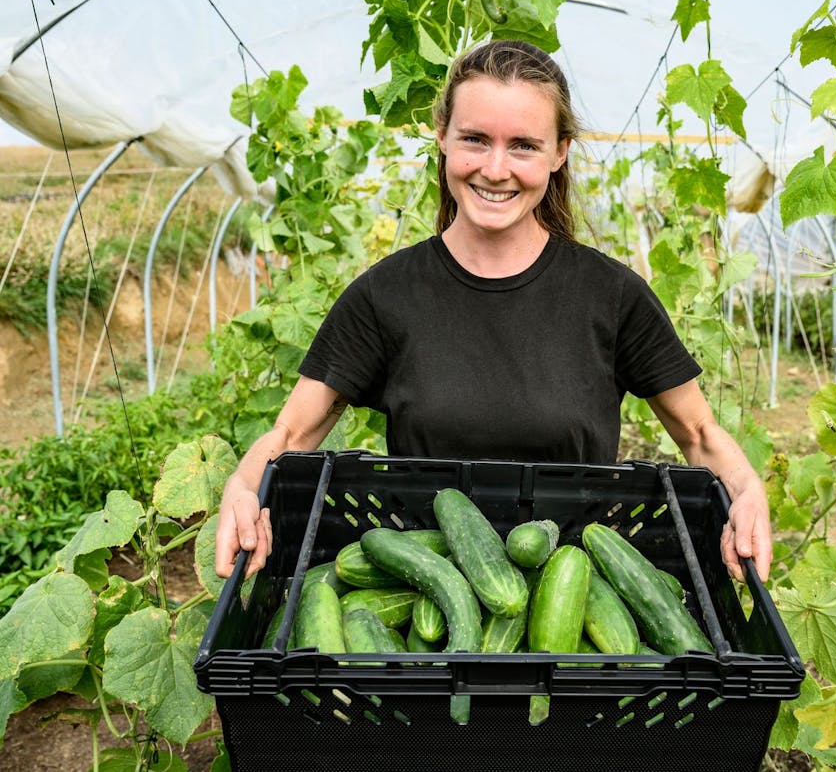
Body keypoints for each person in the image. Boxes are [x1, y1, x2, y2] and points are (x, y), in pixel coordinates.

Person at [214, 39, 772, 585]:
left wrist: (748, 491)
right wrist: (243, 486)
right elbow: (291, 433)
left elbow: (698, 433)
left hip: (573, 588)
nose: (496, 168)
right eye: (475, 140)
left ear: (560, 152)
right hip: (426, 596)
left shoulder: (611, 295)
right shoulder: (386, 296)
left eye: (524, 145)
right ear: (442, 139)